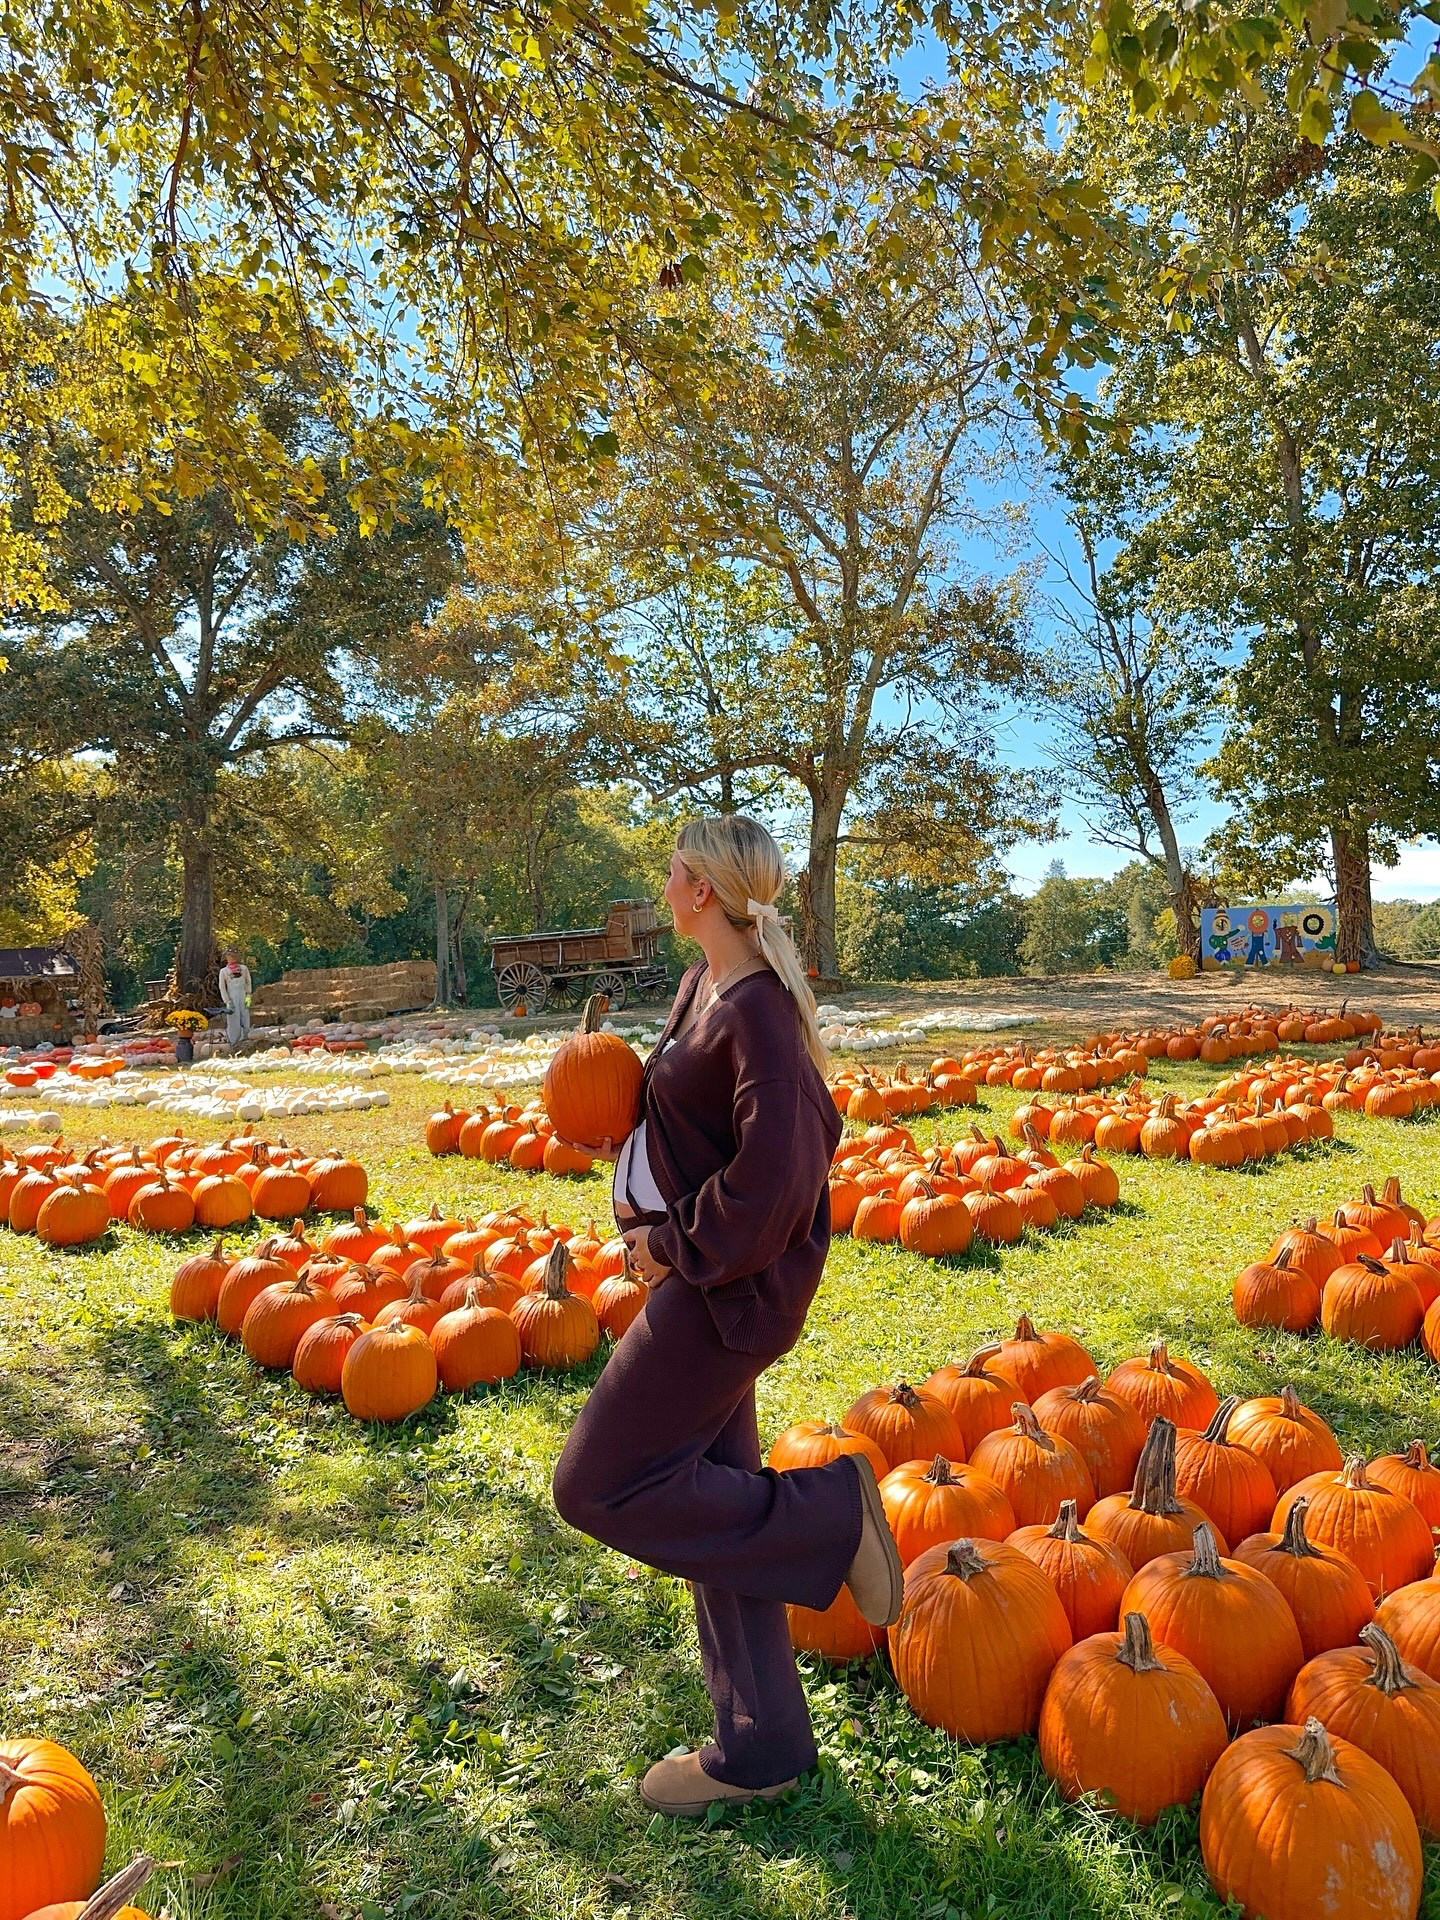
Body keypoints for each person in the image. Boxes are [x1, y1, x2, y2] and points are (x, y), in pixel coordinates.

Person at [551, 815, 903, 1819]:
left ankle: (833, 1514)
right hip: (703, 1282)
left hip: (727, 1294)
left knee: (595, 1483)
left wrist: (672, 1245)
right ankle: (763, 1745)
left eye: (671, 871)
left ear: (702, 889)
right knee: (715, 1504)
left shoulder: (760, 1014)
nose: (662, 886)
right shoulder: (702, 984)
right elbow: (701, 1125)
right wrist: (622, 1138)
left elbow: (779, 1179)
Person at [218, 949, 252, 1051]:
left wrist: (248, 995)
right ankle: (234, 1043)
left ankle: (246, 1040)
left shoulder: (243, 969)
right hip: (232, 997)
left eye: (233, 957)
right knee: (233, 1020)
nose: (232, 959)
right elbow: (222, 988)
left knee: (245, 1018)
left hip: (242, 996)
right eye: (229, 957)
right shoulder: (224, 971)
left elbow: (248, 982)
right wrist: (227, 1001)